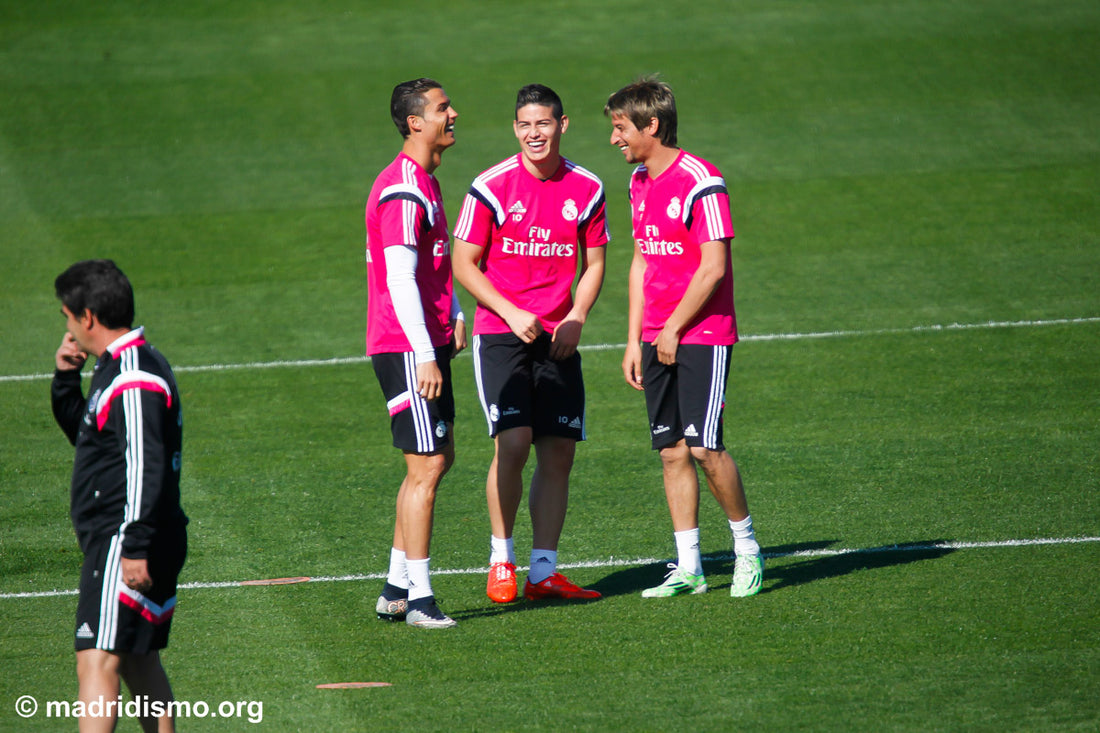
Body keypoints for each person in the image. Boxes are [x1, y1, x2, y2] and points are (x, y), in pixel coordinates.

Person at [604, 77, 764, 598]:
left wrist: (673, 327)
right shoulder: (638, 183)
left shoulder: (702, 180)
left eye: (621, 128)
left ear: (652, 125)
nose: (615, 140)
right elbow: (642, 260)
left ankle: (747, 552)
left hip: (702, 333)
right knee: (671, 452)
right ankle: (689, 566)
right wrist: (634, 338)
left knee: (704, 448)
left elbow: (714, 267)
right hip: (657, 335)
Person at [453, 84, 607, 603]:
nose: (533, 133)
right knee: (514, 443)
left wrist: (578, 317)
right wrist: (511, 311)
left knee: (559, 451)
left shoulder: (587, 187)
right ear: (514, 128)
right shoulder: (491, 185)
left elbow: (596, 264)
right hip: (501, 334)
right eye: (524, 125)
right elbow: (463, 263)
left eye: (542, 123)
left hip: (558, 338)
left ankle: (544, 571)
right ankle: (502, 560)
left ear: (562, 126)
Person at [51, 259, 188, 732]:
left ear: (87, 316)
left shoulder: (132, 376)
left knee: (97, 661)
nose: (68, 327)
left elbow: (144, 467)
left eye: (68, 317)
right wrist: (67, 380)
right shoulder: (128, 366)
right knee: (136, 661)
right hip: (133, 536)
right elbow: (96, 445)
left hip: (123, 540)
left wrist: (133, 546)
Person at [365, 78, 466, 628]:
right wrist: (425, 352)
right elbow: (400, 277)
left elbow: (424, 268)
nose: (454, 114)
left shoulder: (424, 181)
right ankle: (421, 601)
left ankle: (395, 588)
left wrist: (450, 311)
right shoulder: (405, 188)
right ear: (414, 123)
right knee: (426, 464)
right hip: (406, 347)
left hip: (421, 340)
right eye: (443, 108)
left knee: (437, 457)